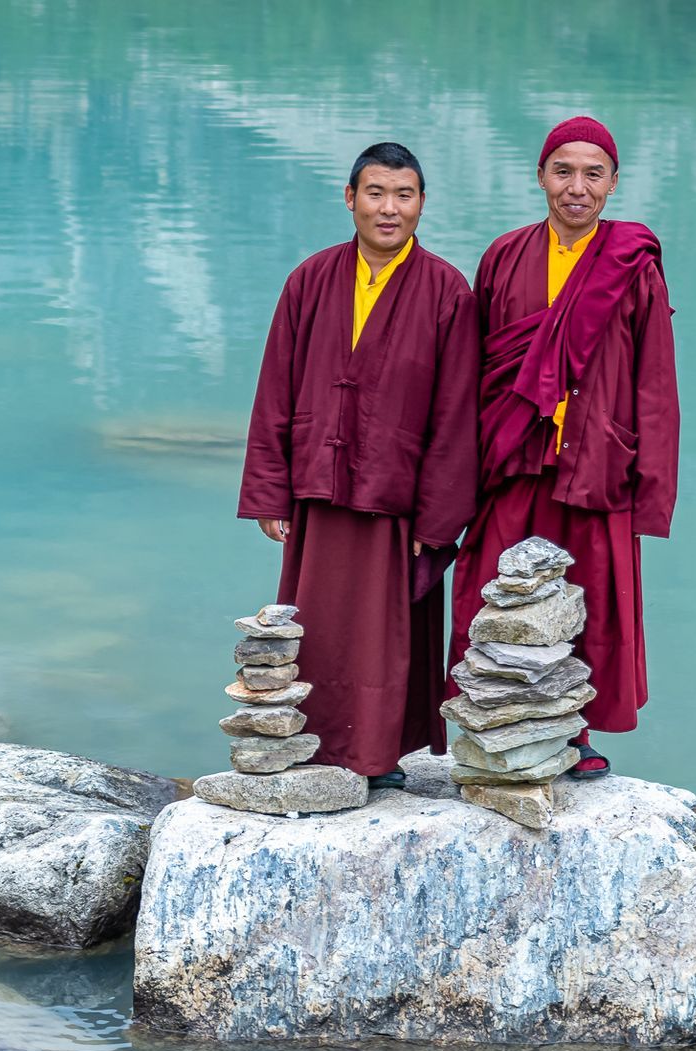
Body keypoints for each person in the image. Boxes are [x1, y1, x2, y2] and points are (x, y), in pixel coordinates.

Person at [238, 142, 479, 788]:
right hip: (318, 486)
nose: (389, 209)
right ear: (350, 199)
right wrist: (270, 491)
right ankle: (309, 744)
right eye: (376, 193)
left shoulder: (446, 292)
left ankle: (376, 758)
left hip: (396, 501)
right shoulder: (310, 281)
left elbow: (458, 415)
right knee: (315, 626)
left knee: (384, 636)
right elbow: (275, 390)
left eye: (404, 195)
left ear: (422, 204)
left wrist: (440, 517)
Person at [454, 117, 680, 777]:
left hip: (598, 462)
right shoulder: (504, 256)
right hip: (512, 457)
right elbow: (475, 369)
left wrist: (652, 488)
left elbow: (656, 385)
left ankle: (572, 734)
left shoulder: (631, 264)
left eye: (592, 174)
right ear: (540, 175)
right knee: (494, 592)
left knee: (589, 599)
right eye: (563, 171)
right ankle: (490, 720)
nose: (576, 188)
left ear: (613, 183)